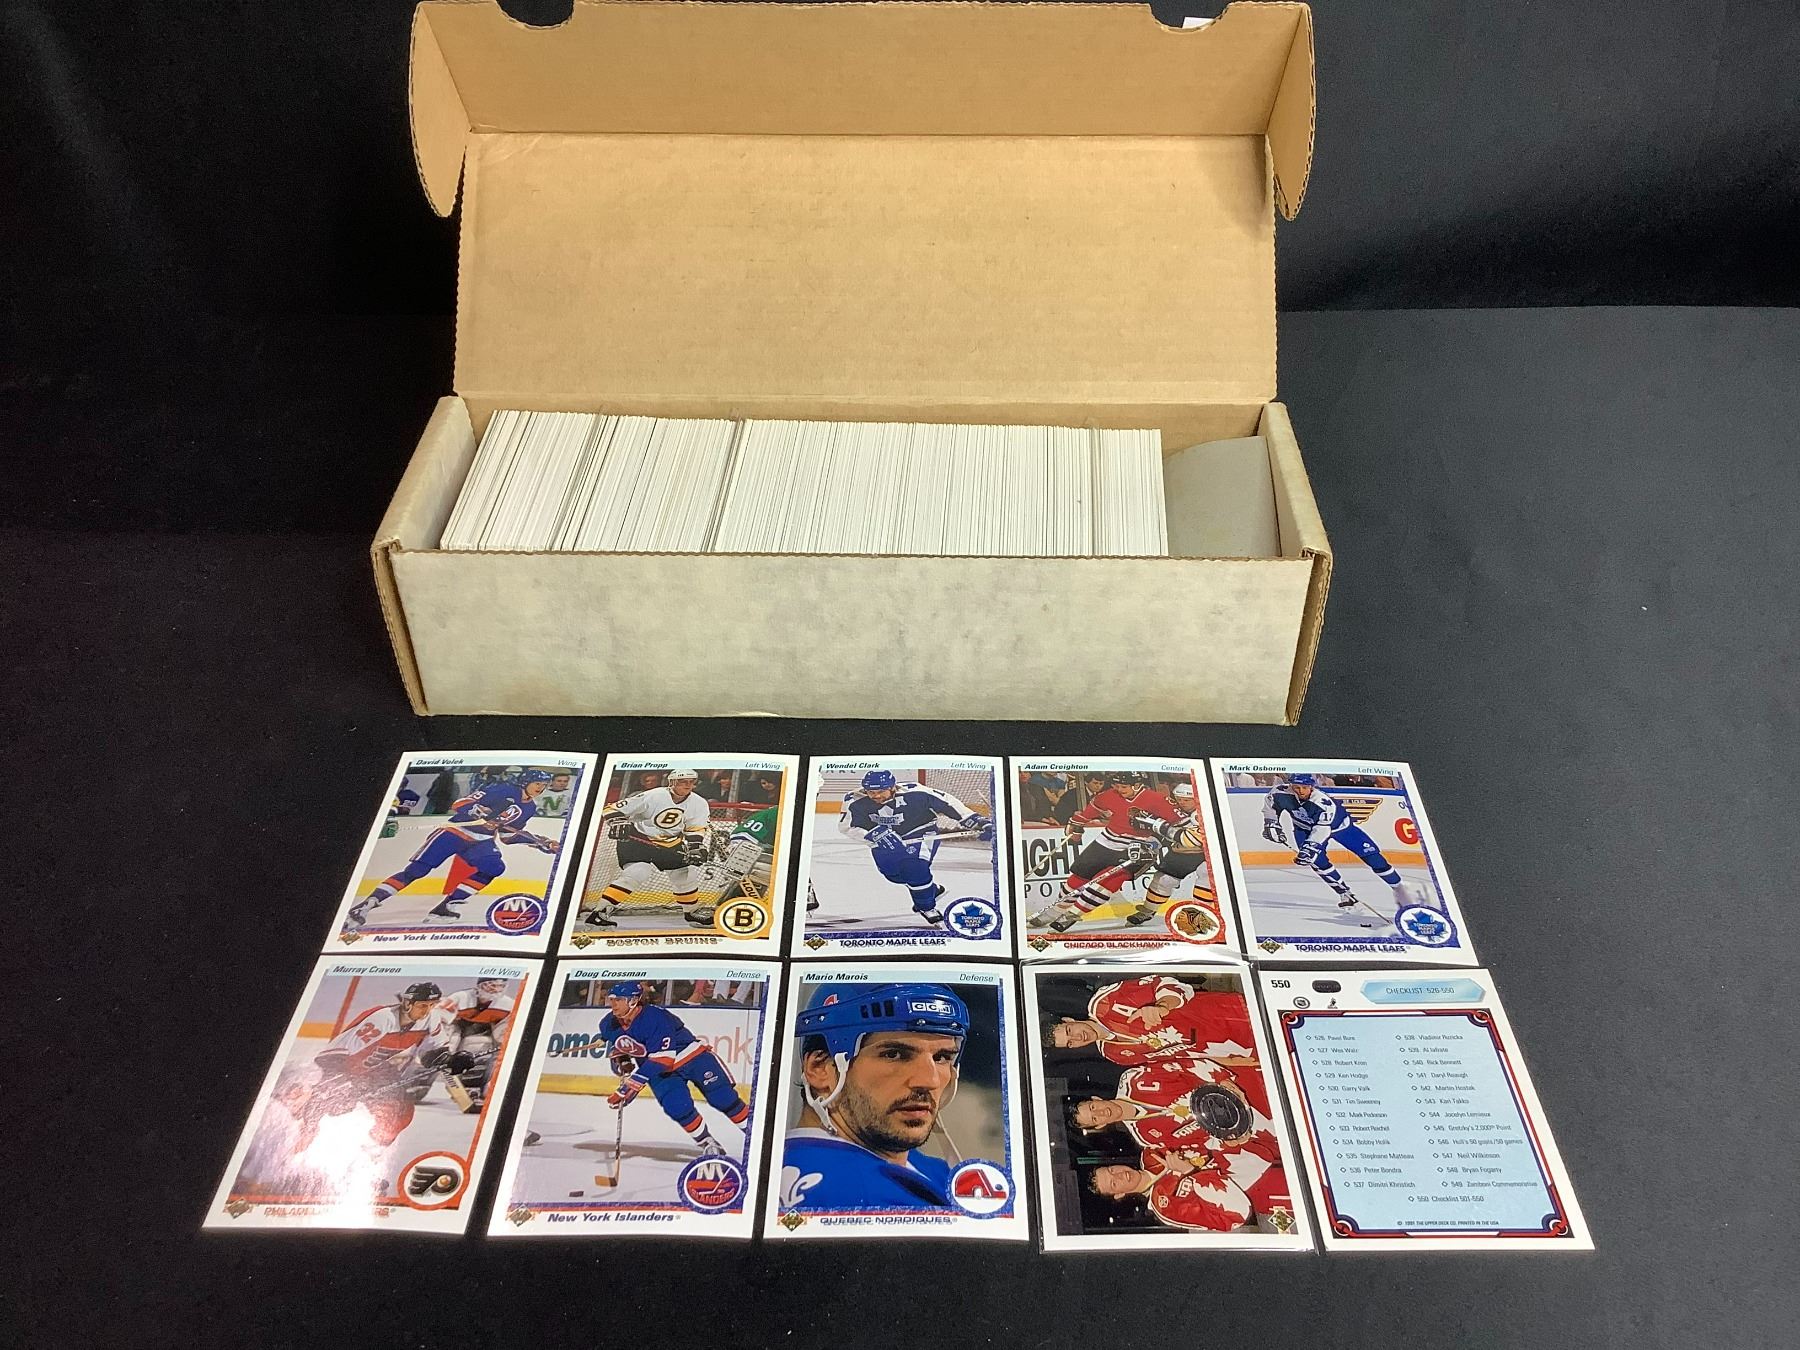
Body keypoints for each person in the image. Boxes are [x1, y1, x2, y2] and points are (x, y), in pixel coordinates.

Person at [778, 983, 967, 1212]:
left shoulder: (926, 1169)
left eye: (942, 1057)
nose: (929, 1081)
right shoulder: (855, 1198)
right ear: (820, 1068)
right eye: (894, 1054)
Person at [537, 981, 746, 1155]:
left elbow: (664, 1058)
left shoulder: (655, 1017)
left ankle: (755, 1134)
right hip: (660, 1072)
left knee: (723, 1099)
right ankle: (708, 1143)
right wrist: (622, 1063)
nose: (613, 1004)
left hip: (692, 1059)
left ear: (633, 1000)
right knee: (677, 1107)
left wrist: (630, 1086)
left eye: (618, 1000)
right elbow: (621, 1050)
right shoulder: (608, 1024)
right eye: (611, 999)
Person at [345, 769, 559, 928]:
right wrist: (476, 810)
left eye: (544, 785)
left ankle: (446, 907)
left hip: (480, 841)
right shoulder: (502, 789)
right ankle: (367, 904)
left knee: (494, 868)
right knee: (417, 871)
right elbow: (460, 804)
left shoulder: (529, 807)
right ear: (526, 782)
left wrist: (540, 843)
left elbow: (507, 836)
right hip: (454, 832)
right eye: (537, 783)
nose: (540, 788)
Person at [283, 981, 451, 1151]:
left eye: (432, 1005)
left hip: (373, 1068)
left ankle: (371, 1151)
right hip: (338, 1063)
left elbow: (436, 1049)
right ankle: (295, 1123)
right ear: (408, 1003)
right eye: (423, 1005)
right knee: (325, 1103)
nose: (427, 1011)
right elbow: (342, 1054)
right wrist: (344, 1084)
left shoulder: (431, 1018)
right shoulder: (382, 1018)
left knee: (401, 1110)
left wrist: (450, 1059)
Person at [1028, 770, 1185, 932]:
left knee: (1107, 882)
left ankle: (1072, 915)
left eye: (1124, 786)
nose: (1119, 789)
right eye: (1117, 785)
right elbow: (1094, 807)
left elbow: (1179, 825)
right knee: (1078, 877)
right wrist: (1077, 822)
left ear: (1137, 785)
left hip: (1138, 846)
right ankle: (1054, 912)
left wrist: (1155, 842)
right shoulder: (1110, 795)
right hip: (1106, 841)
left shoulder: (1157, 799)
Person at [836, 770, 992, 927]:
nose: (876, 796)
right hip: (884, 839)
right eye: (871, 792)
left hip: (921, 832)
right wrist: (873, 835)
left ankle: (927, 907)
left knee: (915, 868)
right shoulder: (854, 800)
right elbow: (847, 827)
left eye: (881, 791)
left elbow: (948, 803)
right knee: (893, 875)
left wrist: (976, 821)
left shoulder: (917, 792)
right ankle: (932, 890)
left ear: (892, 787)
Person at [1261, 773, 1424, 920]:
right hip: (1303, 829)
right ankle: (1345, 894)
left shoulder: (1323, 802)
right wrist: (1271, 823)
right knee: (1318, 863)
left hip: (1340, 827)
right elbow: (1271, 806)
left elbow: (1322, 829)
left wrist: (1310, 848)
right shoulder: (1279, 792)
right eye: (1297, 787)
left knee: (1373, 857)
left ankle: (1401, 891)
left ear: (1312, 786)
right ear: (1291, 785)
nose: (1301, 791)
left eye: (1305, 787)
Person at [579, 767, 711, 927]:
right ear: (672, 782)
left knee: (684, 874)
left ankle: (691, 913)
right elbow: (611, 809)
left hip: (669, 843)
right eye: (683, 781)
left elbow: (695, 828)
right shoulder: (654, 795)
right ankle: (599, 913)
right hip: (638, 840)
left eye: (691, 782)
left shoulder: (699, 803)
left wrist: (695, 846)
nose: (688, 785)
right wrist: (617, 821)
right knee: (637, 872)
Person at [1044, 975, 1257, 1065]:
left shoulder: (1104, 1003)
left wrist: (1162, 1005)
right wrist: (1228, 1061)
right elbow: (1176, 1058)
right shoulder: (1113, 1054)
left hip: (1229, 1015)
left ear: (1069, 1019)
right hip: (1231, 1048)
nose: (1078, 1038)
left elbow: (1164, 982)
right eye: (1070, 1043)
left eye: (1069, 1031)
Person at [424, 976, 514, 1113]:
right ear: (480, 986)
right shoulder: (460, 998)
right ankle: (418, 1082)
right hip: (453, 1027)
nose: (496, 990)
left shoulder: (508, 1005)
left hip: (481, 1032)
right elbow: (437, 1017)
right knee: (442, 1046)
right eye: (491, 986)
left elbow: (505, 1030)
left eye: (500, 986)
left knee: (479, 1045)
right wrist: (441, 1046)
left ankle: (472, 1087)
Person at [684, 801, 780, 930]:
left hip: (768, 847)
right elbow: (746, 838)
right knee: (760, 869)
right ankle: (727, 911)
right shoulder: (781, 813)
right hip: (751, 845)